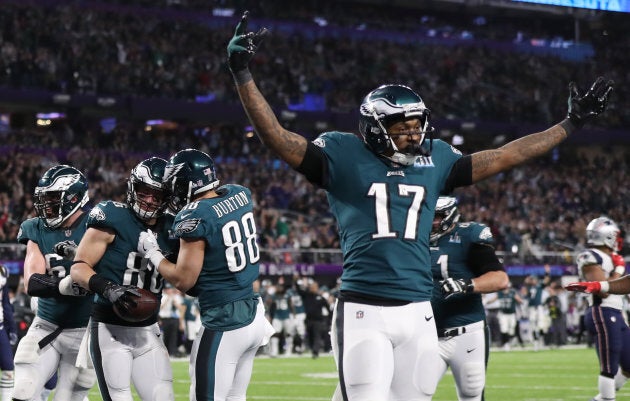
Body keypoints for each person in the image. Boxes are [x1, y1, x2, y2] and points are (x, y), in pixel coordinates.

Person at [226, 11, 613, 400]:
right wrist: (243, 74)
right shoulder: (342, 153)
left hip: (419, 310)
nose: (414, 134)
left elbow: (505, 156)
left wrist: (569, 124)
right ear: (376, 128)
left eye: (416, 125)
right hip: (364, 307)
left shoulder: (437, 159)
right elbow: (275, 136)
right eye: (402, 127)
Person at [135, 148, 274, 401]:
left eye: (174, 184)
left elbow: (183, 280)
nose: (171, 191)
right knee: (235, 397)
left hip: (225, 320)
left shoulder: (194, 215)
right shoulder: (240, 193)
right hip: (255, 312)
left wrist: (154, 253)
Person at [69, 157, 177, 401]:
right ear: (132, 188)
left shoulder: (173, 228)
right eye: (144, 192)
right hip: (110, 328)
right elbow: (79, 267)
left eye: (157, 195)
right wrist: (108, 289)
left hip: (148, 329)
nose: (149, 200)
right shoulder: (111, 216)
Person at [14, 165, 95, 401]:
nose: (46, 204)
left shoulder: (97, 225)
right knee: (22, 393)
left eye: (52, 197)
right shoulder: (35, 227)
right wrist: (68, 284)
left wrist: (82, 258)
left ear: (74, 197)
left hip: (84, 330)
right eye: (44, 197)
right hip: (46, 325)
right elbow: (33, 283)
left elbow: (109, 273)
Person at [428, 196, 508, 400]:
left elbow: (500, 279)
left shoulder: (468, 235)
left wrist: (466, 284)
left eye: (437, 217)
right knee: (411, 392)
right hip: (425, 333)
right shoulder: (413, 237)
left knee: (471, 394)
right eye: (428, 214)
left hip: (466, 332)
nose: (431, 221)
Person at [565, 217, 630, 401]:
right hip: (602, 311)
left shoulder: (608, 257)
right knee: (609, 366)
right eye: (614, 236)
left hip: (616, 313)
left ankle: (600, 399)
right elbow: (603, 290)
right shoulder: (590, 256)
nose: (617, 240)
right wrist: (618, 269)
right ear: (607, 237)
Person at [0, 264, 17, 401]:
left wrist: (12, 327)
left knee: (8, 367)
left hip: (0, 328)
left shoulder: (3, 271)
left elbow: (5, 302)